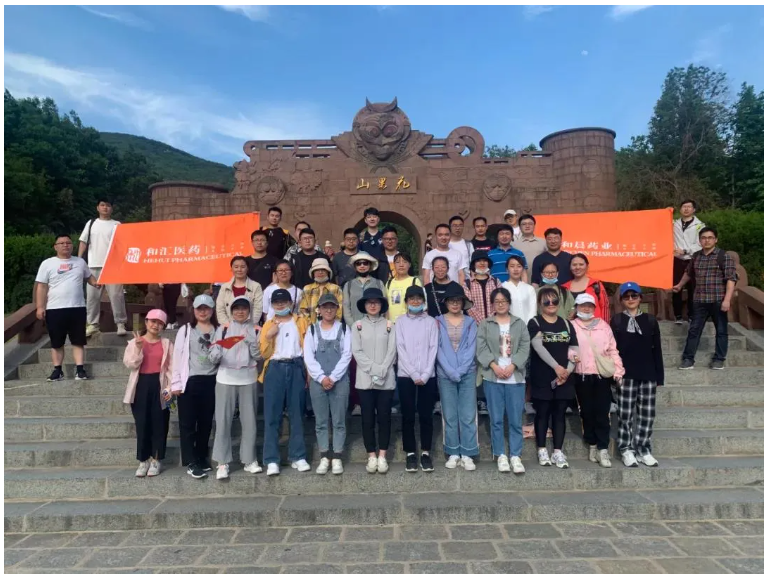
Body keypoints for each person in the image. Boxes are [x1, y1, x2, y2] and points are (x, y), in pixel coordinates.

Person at [476, 288, 531, 474]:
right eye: (497, 301)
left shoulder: (519, 324)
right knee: (496, 419)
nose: (500, 304)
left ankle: (515, 455)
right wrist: (494, 366)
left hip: (515, 378)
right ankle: (500, 454)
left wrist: (513, 366)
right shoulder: (485, 324)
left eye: (503, 301)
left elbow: (525, 346)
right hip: (493, 377)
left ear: (509, 303)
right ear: (492, 304)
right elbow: (481, 348)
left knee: (515, 419)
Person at [611, 282, 664, 468]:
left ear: (640, 298)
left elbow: (657, 349)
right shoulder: (617, 320)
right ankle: (626, 449)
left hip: (648, 373)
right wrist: (615, 373)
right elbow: (612, 349)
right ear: (622, 300)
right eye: (626, 296)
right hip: (626, 374)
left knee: (647, 414)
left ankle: (643, 448)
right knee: (625, 414)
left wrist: (659, 376)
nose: (631, 299)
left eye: (634, 296)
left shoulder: (650, 320)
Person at [208, 296, 261, 480]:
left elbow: (259, 356)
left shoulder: (256, 329)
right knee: (223, 421)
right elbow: (213, 353)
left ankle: (249, 459)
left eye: (244, 308)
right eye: (236, 308)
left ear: (249, 310)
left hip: (248, 378)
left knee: (250, 422)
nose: (240, 312)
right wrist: (216, 353)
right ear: (231, 311)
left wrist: (251, 343)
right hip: (225, 378)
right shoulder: (222, 329)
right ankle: (222, 462)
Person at [259, 289, 311, 476]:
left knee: (297, 413)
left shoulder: (302, 321)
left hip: (296, 366)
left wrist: (308, 373)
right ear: (272, 305)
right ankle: (271, 459)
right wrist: (268, 336)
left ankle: (298, 456)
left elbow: (308, 348)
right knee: (272, 415)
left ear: (291, 303)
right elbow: (264, 353)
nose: (280, 305)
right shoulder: (268, 324)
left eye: (283, 302)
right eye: (276, 302)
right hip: (275, 368)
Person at [35, 234, 100, 381]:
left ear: (72, 245)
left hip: (77, 308)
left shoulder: (80, 262)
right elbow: (42, 287)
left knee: (78, 341)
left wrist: (95, 283)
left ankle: (80, 370)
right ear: (55, 247)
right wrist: (40, 307)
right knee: (57, 342)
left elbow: (89, 277)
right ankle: (57, 370)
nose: (66, 245)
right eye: (62, 243)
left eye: (68, 243)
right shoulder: (47, 264)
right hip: (54, 308)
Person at [528, 287, 580, 470]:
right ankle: (542, 449)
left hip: (564, 378)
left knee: (559, 414)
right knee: (542, 413)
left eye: (554, 301)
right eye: (546, 301)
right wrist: (556, 367)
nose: (551, 304)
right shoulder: (535, 322)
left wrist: (567, 371)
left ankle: (558, 450)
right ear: (540, 304)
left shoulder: (567, 324)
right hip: (543, 376)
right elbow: (538, 347)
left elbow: (575, 350)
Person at [673, 227, 737, 371]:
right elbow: (688, 273)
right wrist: (679, 285)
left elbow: (731, 279)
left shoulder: (723, 256)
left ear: (716, 240)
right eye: (703, 238)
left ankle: (719, 359)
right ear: (699, 241)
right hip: (699, 300)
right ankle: (688, 359)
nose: (706, 240)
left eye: (710, 237)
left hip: (718, 300)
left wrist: (727, 300)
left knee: (721, 330)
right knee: (694, 330)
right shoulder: (696, 256)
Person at [572, 293, 624, 468]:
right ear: (576, 307)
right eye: (582, 305)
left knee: (602, 412)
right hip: (581, 374)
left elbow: (612, 350)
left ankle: (603, 448)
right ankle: (592, 443)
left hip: (601, 375)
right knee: (586, 412)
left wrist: (618, 370)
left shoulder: (603, 326)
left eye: (589, 305)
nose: (586, 308)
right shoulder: (571, 326)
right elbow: (568, 348)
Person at [303, 293, 352, 475]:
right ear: (319, 310)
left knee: (339, 420)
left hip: (340, 380)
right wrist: (322, 377)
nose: (329, 310)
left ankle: (337, 456)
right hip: (318, 382)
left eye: (332, 306)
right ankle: (324, 456)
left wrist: (334, 377)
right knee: (321, 421)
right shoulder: (312, 330)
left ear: (337, 309)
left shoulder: (344, 329)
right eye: (325, 307)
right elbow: (308, 356)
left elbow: (347, 355)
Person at [171, 295, 219, 479]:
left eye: (206, 308)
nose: (203, 312)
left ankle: (201, 456)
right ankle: (190, 460)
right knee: (188, 423)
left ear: (212, 310)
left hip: (212, 380)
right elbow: (177, 356)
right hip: (190, 380)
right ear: (194, 310)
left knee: (206, 422)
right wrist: (176, 383)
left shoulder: (219, 330)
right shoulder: (186, 330)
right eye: (199, 308)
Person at [351, 288, 397, 474]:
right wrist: (375, 369)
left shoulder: (390, 325)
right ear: (364, 305)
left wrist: (382, 369)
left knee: (384, 418)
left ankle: (382, 455)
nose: (372, 305)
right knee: (367, 418)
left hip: (386, 380)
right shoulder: (357, 326)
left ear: (381, 305)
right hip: (365, 380)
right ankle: (371, 455)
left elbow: (392, 350)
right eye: (369, 302)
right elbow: (357, 351)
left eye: (376, 302)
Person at [122, 309, 173, 477]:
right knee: (142, 423)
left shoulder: (166, 343)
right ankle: (143, 459)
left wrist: (170, 387)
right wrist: (138, 349)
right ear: (146, 322)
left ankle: (156, 459)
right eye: (153, 321)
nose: (155, 325)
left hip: (160, 384)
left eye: (160, 323)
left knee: (160, 423)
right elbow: (130, 364)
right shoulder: (135, 342)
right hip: (141, 385)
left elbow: (172, 367)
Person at [395, 286, 440, 472]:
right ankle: (410, 453)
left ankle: (426, 452)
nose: (415, 302)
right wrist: (414, 373)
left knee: (426, 415)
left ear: (423, 301)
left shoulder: (431, 322)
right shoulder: (400, 322)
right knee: (407, 415)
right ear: (406, 302)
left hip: (428, 375)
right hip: (406, 375)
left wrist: (426, 373)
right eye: (411, 299)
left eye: (418, 298)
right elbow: (400, 348)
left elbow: (434, 347)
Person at [436, 288, 479, 470]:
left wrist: (460, 370)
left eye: (458, 300)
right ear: (445, 303)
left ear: (463, 303)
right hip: (445, 373)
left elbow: (471, 348)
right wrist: (449, 370)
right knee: (450, 414)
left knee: (468, 414)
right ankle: (453, 451)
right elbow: (436, 348)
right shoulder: (437, 321)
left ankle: (468, 452)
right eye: (451, 300)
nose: (455, 303)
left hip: (467, 372)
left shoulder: (470, 322)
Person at [79, 198, 128, 337]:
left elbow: (123, 245)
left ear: (112, 208)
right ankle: (92, 324)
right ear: (97, 208)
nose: (105, 208)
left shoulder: (117, 224)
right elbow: (83, 242)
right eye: (102, 205)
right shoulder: (91, 223)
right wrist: (79, 260)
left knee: (116, 296)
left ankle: (120, 323)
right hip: (93, 265)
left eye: (108, 205)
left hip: (113, 266)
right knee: (92, 297)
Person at [463, 250, 502, 417]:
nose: (481, 263)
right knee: (478, 363)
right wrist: (484, 323)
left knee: (495, 361)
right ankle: (480, 399)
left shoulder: (496, 281)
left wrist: (491, 321)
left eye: (484, 261)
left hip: (495, 327)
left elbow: (500, 302)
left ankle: (493, 398)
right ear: (473, 265)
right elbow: (468, 305)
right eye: (478, 261)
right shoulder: (467, 283)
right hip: (475, 329)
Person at [672, 199, 705, 324]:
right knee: (676, 288)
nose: (686, 209)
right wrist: (667, 212)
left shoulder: (700, 225)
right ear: (680, 209)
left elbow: (701, 244)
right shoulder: (674, 224)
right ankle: (678, 315)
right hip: (677, 260)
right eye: (684, 206)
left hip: (692, 260)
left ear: (694, 209)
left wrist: (685, 250)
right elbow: (660, 224)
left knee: (693, 288)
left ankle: (692, 315)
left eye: (689, 207)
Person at [216, 256, 264, 326]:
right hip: (228, 327)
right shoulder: (224, 287)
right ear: (231, 269)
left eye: (243, 267)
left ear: (247, 268)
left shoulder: (256, 286)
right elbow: (220, 310)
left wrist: (247, 326)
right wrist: (229, 326)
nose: (239, 269)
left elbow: (258, 309)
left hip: (250, 327)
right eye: (236, 267)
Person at [562, 253, 610, 324]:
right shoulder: (564, 288)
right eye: (574, 265)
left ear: (587, 266)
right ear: (570, 267)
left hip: (594, 327)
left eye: (581, 264)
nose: (577, 267)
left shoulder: (596, 284)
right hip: (570, 327)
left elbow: (605, 307)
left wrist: (605, 327)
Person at [342, 252, 385, 328]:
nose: (362, 266)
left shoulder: (378, 283)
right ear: (355, 266)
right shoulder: (348, 285)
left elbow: (383, 305)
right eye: (358, 263)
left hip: (375, 326)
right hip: (354, 326)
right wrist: (353, 326)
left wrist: (377, 324)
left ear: (370, 265)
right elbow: (346, 308)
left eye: (365, 263)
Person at [299, 258, 343, 324]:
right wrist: (311, 325)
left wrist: (332, 325)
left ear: (328, 272)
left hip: (332, 325)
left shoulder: (336, 288)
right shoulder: (307, 289)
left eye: (323, 270)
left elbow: (339, 310)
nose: (320, 272)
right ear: (313, 273)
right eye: (317, 270)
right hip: (311, 326)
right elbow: (303, 310)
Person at [386, 253, 422, 322]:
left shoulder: (415, 281)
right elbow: (387, 305)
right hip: (392, 323)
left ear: (409, 265)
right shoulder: (389, 283)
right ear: (394, 265)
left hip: (410, 322)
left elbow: (420, 303)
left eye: (405, 262)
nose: (401, 265)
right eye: (398, 262)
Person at [502, 256, 537, 322]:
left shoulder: (529, 288)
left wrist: (529, 325)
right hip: (509, 325)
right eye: (512, 266)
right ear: (507, 269)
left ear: (523, 269)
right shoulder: (502, 287)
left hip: (527, 325)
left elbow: (533, 311)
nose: (516, 269)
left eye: (519, 266)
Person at [512, 214, 547, 282]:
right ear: (520, 227)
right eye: (524, 224)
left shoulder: (544, 242)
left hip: (540, 282)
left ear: (534, 226)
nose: (527, 226)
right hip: (520, 282)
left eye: (530, 224)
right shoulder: (513, 244)